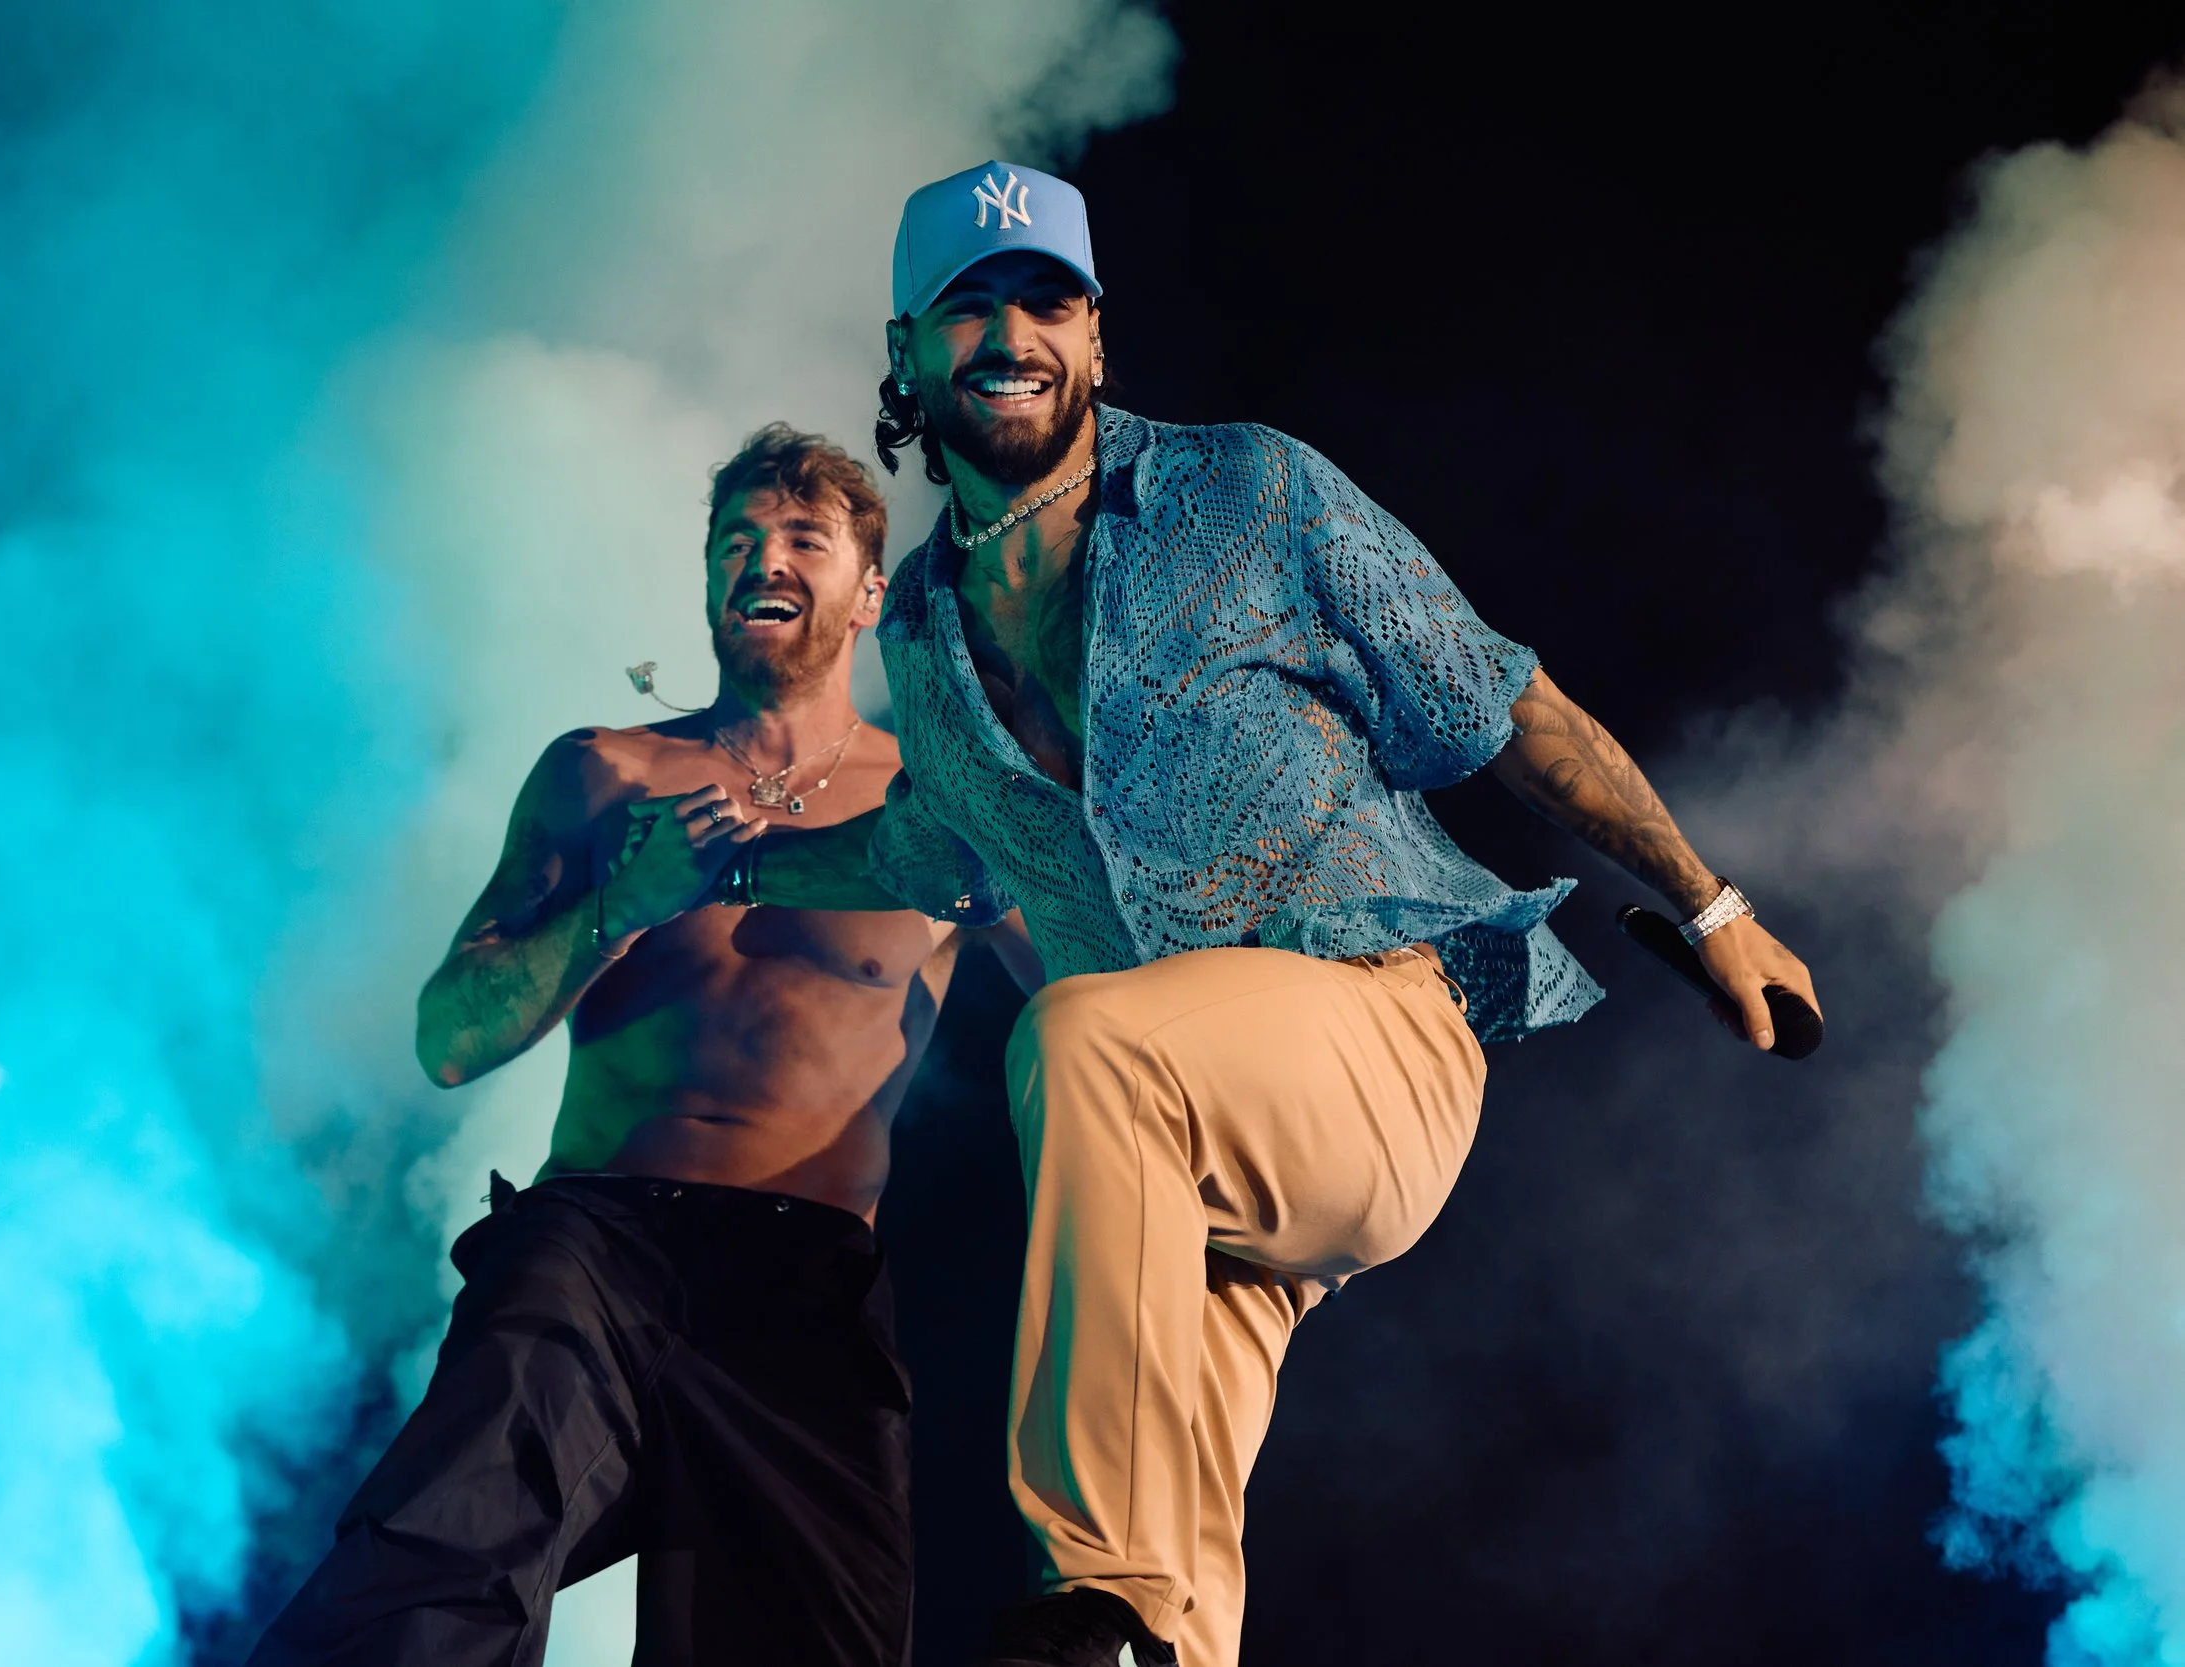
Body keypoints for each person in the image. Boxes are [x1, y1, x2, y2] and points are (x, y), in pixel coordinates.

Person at [741, 161, 1823, 1667]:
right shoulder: (917, 625)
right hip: (1186, 1176)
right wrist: (731, 866)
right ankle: (1136, 1620)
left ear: (1096, 332)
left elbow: (1502, 699)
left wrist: (1712, 907)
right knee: (1175, 1584)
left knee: (1086, 1040)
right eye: (969, 307)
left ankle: (1097, 1581)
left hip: (1371, 1034)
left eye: (1046, 301)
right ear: (908, 348)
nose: (1011, 337)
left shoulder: (1247, 491)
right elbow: (929, 844)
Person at [248, 425, 956, 1667]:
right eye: (734, 540)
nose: (761, 560)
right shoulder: (603, 771)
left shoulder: (941, 807)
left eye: (802, 537)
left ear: (869, 594)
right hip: (597, 1237)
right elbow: (448, 1037)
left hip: (807, 1284)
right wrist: (620, 907)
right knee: (435, 1555)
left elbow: (1094, 985)